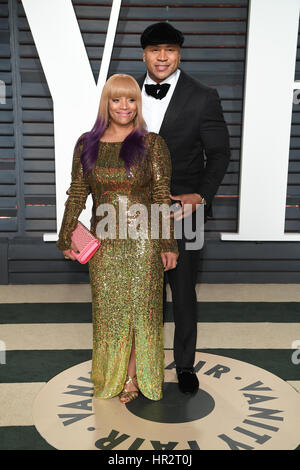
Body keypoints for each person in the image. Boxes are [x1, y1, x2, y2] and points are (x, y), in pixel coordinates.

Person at [56, 74, 178, 403]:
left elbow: (161, 197)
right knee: (109, 313)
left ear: (138, 104)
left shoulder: (152, 144)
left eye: (131, 99)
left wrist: (168, 243)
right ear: (106, 104)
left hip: (144, 244)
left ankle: (136, 379)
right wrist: (67, 232)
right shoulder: (87, 143)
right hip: (105, 246)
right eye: (116, 99)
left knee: (144, 313)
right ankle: (114, 376)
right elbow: (79, 192)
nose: (124, 106)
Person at [137, 22, 231, 394]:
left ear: (180, 54)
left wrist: (201, 196)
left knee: (183, 291)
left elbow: (221, 153)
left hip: (182, 212)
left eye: (170, 50)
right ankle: (140, 364)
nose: (162, 57)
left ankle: (186, 364)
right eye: (155, 50)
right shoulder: (125, 92)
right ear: (143, 53)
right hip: (135, 212)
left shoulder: (204, 96)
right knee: (140, 291)